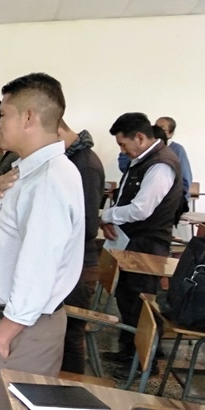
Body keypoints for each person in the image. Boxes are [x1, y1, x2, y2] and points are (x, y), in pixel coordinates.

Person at [0, 73, 84, 410]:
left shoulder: (49, 179)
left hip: (24, 327)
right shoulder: (30, 171)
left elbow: (39, 265)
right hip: (18, 320)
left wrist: (6, 332)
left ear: (28, 117)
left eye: (4, 114)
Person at [100, 113, 182, 372]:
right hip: (132, 241)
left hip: (148, 244)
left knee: (141, 302)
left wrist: (107, 215)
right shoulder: (143, 160)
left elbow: (141, 209)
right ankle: (128, 354)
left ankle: (146, 361)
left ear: (139, 137)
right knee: (127, 297)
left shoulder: (161, 165)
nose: (122, 151)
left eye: (123, 144)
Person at [117, 116, 191, 200]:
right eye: (155, 126)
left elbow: (185, 179)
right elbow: (125, 166)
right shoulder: (143, 146)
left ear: (170, 134)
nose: (157, 130)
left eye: (162, 128)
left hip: (166, 198)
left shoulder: (177, 149)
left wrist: (177, 200)